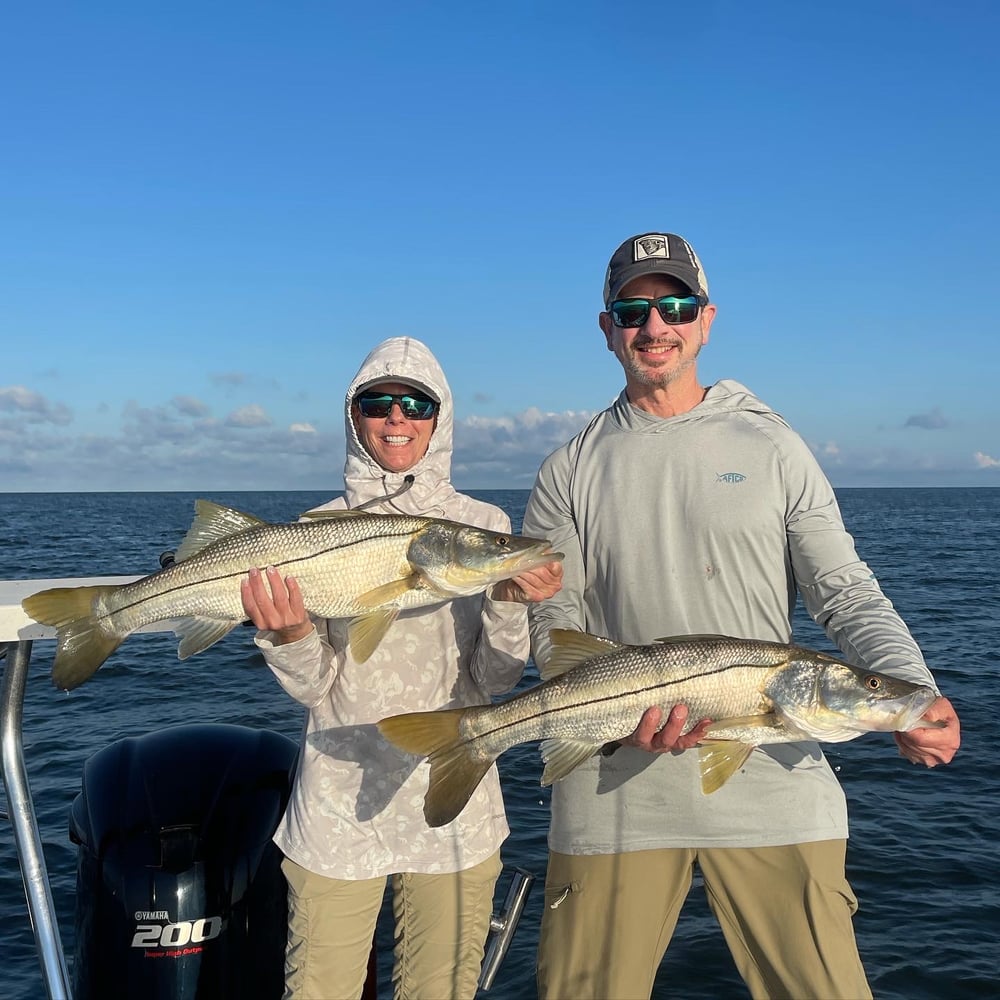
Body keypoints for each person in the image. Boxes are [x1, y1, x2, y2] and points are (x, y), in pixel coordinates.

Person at [522, 232, 961, 1000]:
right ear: (607, 328)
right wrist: (612, 715)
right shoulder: (568, 469)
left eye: (675, 305)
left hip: (777, 780)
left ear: (708, 318)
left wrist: (912, 692)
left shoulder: (775, 445)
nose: (655, 326)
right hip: (615, 784)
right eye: (633, 309)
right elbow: (554, 625)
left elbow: (844, 590)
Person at [240, 336, 563, 1000]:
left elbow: (494, 683)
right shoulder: (315, 529)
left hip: (455, 807)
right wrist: (291, 634)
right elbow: (315, 688)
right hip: (335, 809)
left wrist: (505, 600)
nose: (397, 419)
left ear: (439, 419)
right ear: (352, 417)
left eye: (415, 404)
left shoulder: (483, 524)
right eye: (377, 402)